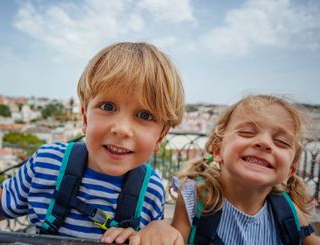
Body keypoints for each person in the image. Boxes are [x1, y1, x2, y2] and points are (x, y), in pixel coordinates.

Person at [0, 42, 185, 245]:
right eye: (107, 107)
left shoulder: (151, 189)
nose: (121, 129)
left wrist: (158, 229)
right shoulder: (48, 162)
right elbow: (3, 201)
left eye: (144, 115)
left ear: (161, 137)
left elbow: (152, 234)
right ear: (85, 118)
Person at [126, 94, 320, 245]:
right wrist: (159, 228)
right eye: (246, 132)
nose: (264, 143)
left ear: (290, 170)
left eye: (281, 142)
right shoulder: (196, 197)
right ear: (218, 150)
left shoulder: (287, 210)